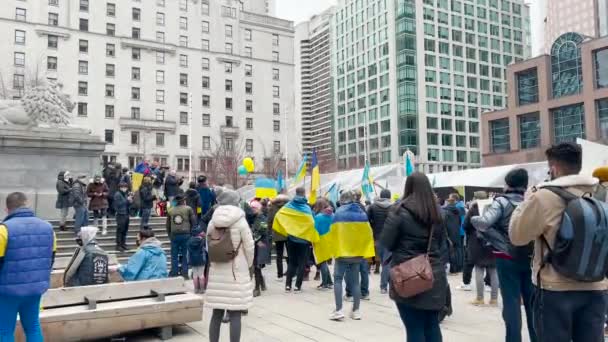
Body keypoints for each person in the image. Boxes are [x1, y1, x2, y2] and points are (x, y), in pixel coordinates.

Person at [510, 142, 608, 342]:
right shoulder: (599, 192)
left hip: (555, 288)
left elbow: (517, 236)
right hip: (596, 286)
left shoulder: (544, 196)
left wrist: (526, 200)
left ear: (553, 168)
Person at [470, 170, 536, 342]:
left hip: (506, 257)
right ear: (525, 184)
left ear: (507, 184)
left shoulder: (501, 202)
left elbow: (484, 223)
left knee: (511, 302)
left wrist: (474, 218)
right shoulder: (532, 202)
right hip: (531, 257)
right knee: (532, 303)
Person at [381, 172, 447, 342]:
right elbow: (440, 244)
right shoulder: (438, 213)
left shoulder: (398, 211)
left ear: (407, 187)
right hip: (433, 274)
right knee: (432, 325)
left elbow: (386, 243)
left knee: (414, 328)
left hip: (407, 275)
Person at [0, 192, 55, 342]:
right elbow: (50, 260)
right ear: (27, 204)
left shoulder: (3, 230)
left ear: (7, 209)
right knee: (32, 327)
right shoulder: (48, 228)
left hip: (6, 291)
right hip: (35, 290)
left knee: (4, 331)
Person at [206, 189, 255, 342]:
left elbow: (208, 245)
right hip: (236, 270)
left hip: (217, 270)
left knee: (216, 313)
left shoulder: (212, 221)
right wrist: (249, 264)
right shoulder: (241, 221)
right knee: (235, 314)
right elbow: (249, 246)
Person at [328, 191, 375, 321]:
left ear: (342, 200)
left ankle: (338, 310)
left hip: (342, 252)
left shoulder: (338, 214)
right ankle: (356, 311)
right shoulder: (362, 213)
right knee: (355, 282)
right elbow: (368, 234)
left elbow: (333, 233)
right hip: (357, 253)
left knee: (338, 279)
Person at [464, 193, 498, 306]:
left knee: (479, 268)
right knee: (493, 270)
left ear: (476, 198)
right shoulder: (494, 207)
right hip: (492, 242)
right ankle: (494, 299)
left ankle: (480, 298)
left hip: (477, 243)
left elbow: (465, 225)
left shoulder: (473, 209)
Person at [283, 188, 314, 293]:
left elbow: (281, 216)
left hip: (291, 238)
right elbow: (312, 223)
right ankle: (297, 286)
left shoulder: (288, 206)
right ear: (304, 194)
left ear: (295, 193)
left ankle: (288, 285)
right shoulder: (307, 208)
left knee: (292, 262)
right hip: (304, 240)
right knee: (302, 263)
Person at [367, 189, 393, 294]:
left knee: (383, 261)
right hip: (390, 238)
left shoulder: (372, 207)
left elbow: (367, 221)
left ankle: (385, 285)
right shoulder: (394, 207)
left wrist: (373, 228)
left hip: (377, 237)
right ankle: (385, 286)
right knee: (387, 263)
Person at [166, 194, 197, 278]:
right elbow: (194, 222)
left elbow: (168, 225)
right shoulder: (188, 209)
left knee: (174, 255)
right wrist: (192, 233)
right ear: (183, 200)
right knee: (185, 254)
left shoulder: (170, 210)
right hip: (186, 234)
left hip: (174, 235)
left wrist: (170, 235)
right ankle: (185, 273)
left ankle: (174, 272)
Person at [251, 200, 271, 297]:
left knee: (257, 266)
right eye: (251, 208)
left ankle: (257, 288)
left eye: (254, 208)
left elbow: (263, 230)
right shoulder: (253, 217)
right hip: (256, 244)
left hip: (261, 244)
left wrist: (255, 238)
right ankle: (261, 284)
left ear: (258, 208)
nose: (252, 209)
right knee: (256, 266)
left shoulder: (262, 218)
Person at [313, 198, 334, 290]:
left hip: (320, 240)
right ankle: (329, 282)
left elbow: (315, 230)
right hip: (330, 240)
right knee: (325, 261)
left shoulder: (318, 217)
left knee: (322, 262)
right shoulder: (333, 215)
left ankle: (325, 284)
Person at [268, 195, 290, 280]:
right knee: (289, 254)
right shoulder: (289, 207)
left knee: (279, 255)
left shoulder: (272, 208)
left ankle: (279, 275)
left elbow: (269, 221)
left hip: (277, 234)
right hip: (288, 233)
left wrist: (270, 232)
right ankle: (290, 272)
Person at [443, 194, 464, 274]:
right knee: (458, 249)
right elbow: (459, 222)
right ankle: (459, 267)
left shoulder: (445, 211)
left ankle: (453, 268)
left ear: (448, 202)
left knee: (451, 250)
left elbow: (444, 223)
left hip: (449, 233)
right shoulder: (458, 210)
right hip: (457, 232)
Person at [113, 182, 132, 252]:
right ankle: (118, 245)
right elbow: (118, 204)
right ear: (120, 187)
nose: (125, 189)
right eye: (124, 187)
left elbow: (126, 204)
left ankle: (123, 243)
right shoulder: (117, 194)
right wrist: (127, 200)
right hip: (120, 214)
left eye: (126, 187)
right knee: (120, 230)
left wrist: (130, 201)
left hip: (126, 213)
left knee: (125, 230)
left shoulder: (125, 194)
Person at [188, 227, 207, 293]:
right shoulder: (202, 240)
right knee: (201, 275)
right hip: (201, 259)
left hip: (193, 260)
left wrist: (189, 260)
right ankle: (202, 289)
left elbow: (188, 252)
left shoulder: (189, 241)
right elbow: (205, 250)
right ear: (199, 233)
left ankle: (196, 289)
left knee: (195, 275)